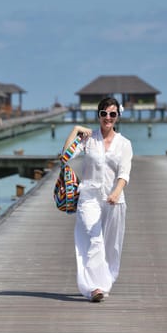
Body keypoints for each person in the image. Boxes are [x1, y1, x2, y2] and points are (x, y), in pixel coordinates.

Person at [61, 97, 133, 302]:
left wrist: (116, 192)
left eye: (112, 114)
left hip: (114, 199)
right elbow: (65, 155)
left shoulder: (125, 144)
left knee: (112, 246)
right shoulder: (88, 138)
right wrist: (75, 130)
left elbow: (124, 173)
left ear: (118, 116)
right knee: (95, 240)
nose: (107, 118)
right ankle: (95, 287)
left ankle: (105, 280)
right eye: (104, 114)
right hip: (89, 197)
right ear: (98, 115)